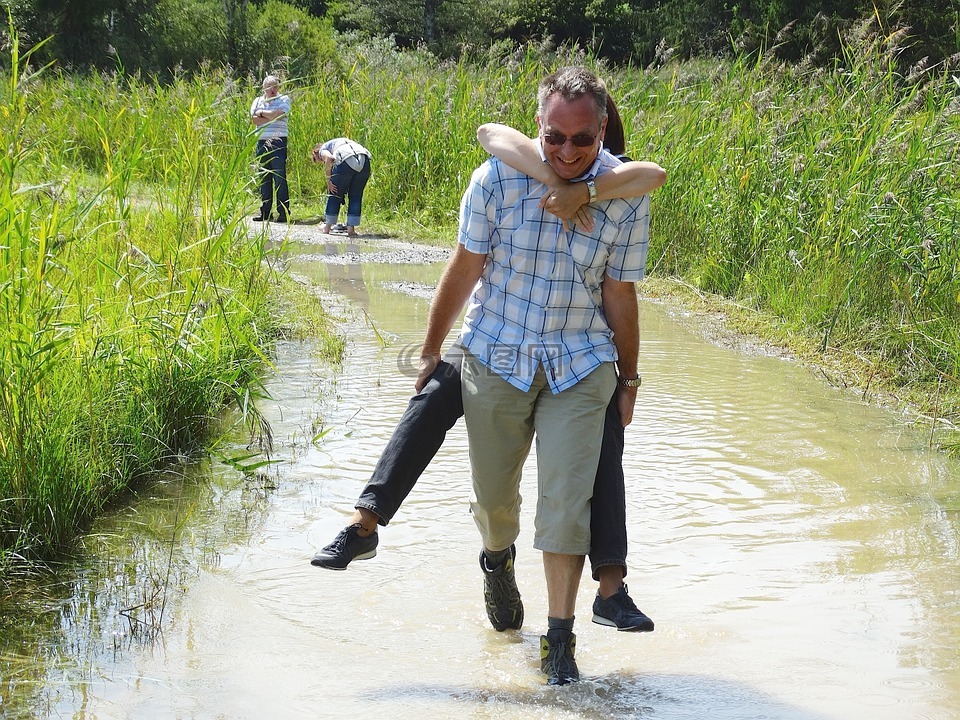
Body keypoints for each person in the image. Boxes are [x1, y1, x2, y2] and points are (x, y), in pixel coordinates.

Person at [311, 81, 665, 681]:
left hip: (579, 363)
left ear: (601, 131)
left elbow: (619, 293)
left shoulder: (624, 193)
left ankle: (560, 640)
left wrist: (628, 379)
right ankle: (496, 562)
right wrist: (428, 350)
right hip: (496, 355)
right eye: (554, 136)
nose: (568, 149)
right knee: (495, 501)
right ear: (538, 125)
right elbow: (465, 265)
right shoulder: (497, 178)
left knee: (565, 503)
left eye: (582, 138)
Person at [250, 75, 291, 223]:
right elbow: (254, 119)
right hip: (261, 142)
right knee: (264, 178)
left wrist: (262, 113)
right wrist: (271, 115)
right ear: (264, 88)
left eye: (275, 86)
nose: (272, 89)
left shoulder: (284, 99)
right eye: (269, 87)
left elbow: (281, 115)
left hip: (278, 142)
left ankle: (283, 213)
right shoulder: (257, 101)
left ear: (279, 87)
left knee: (279, 178)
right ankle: (265, 213)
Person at [312, 138, 372, 237]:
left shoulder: (323, 149)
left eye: (320, 161)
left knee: (335, 192)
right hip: (364, 161)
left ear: (316, 154)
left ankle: (327, 227)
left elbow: (330, 159)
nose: (323, 162)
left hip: (345, 160)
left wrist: (328, 180)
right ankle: (351, 229)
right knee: (356, 195)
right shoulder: (343, 141)